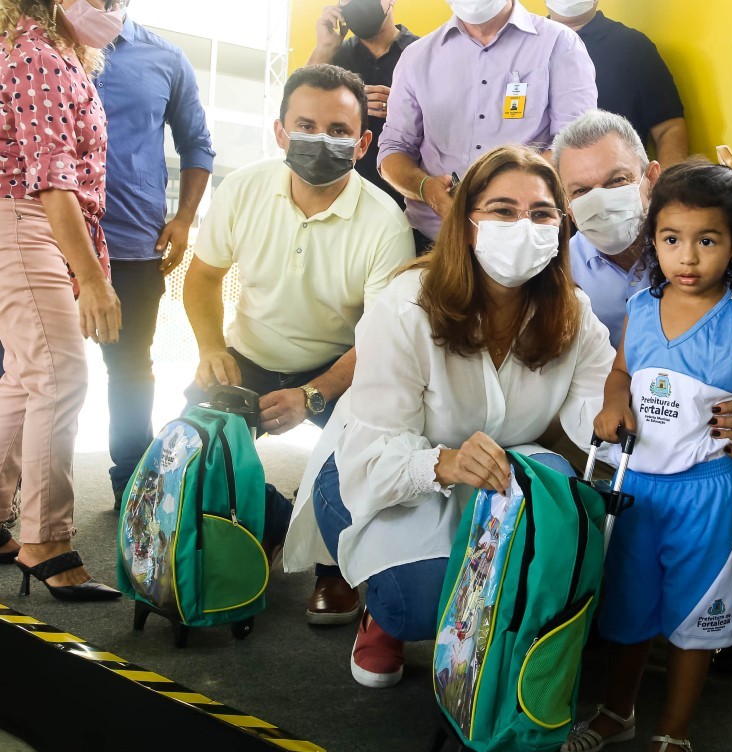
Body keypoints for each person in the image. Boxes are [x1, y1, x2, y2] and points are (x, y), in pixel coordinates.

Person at [280, 145, 614, 688]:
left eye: (541, 213)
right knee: (423, 603)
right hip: (377, 474)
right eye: (503, 210)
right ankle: (381, 613)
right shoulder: (407, 305)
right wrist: (448, 463)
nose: (523, 226)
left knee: (559, 490)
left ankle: (498, 633)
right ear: (465, 222)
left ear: (561, 227)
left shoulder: (572, 311)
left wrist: (669, 411)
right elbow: (370, 457)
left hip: (494, 477)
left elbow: (599, 413)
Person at [551, 109, 732, 672]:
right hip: (637, 426)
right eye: (581, 190)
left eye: (616, 180)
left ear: (649, 175)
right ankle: (602, 601)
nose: (601, 199)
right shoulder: (561, 267)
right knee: (576, 487)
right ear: (565, 203)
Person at [183, 64, 415, 626]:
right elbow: (203, 277)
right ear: (280, 131)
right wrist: (211, 346)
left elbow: (381, 338)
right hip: (249, 355)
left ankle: (335, 567)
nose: (320, 139)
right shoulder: (242, 188)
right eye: (305, 124)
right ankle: (273, 522)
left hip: (341, 367)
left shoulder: (387, 223)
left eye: (338, 130)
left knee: (361, 457)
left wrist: (312, 395)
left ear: (362, 144)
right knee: (192, 446)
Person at [0, 0, 124, 601]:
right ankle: (45, 541)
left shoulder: (58, 53)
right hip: (30, 221)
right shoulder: (38, 55)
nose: (112, 8)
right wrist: (94, 279)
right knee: (60, 378)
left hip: (35, 223)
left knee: (26, 382)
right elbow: (52, 179)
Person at [97, 0, 215, 511]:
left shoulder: (164, 58)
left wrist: (184, 220)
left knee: (129, 368)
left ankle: (130, 484)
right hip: (38, 241)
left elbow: (198, 145)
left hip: (131, 246)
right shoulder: (31, 47)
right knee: (16, 370)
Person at [377, 0, 596, 244]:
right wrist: (426, 190)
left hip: (527, 240)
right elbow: (393, 150)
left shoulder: (558, 43)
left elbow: (575, 146)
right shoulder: (416, 57)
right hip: (435, 240)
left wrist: (504, 195)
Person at [546, 2, 688, 167]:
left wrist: (666, 188)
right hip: (538, 186)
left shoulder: (633, 47)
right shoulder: (526, 45)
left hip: (620, 184)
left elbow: (669, 129)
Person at [306, 0, 417, 209]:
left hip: (409, 204)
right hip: (340, 200)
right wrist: (324, 47)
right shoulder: (332, 55)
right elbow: (301, 112)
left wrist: (406, 107)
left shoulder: (421, 53)